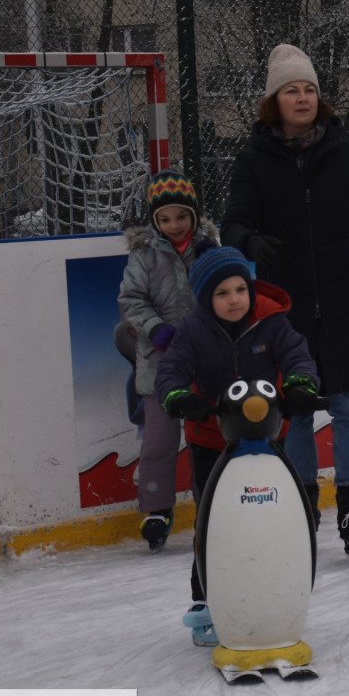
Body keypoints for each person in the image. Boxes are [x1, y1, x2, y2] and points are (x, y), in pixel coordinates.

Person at [219, 43, 349, 564]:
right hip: (284, 309)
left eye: (310, 88)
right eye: (292, 89)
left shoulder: (347, 155)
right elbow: (232, 225)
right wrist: (249, 243)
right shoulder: (253, 161)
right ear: (274, 100)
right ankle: (300, 504)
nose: (303, 97)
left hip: (344, 300)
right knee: (296, 411)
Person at [154, 246, 320, 645]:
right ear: (206, 299)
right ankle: (204, 600)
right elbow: (171, 368)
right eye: (222, 293)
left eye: (239, 289)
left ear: (250, 288)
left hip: (266, 440)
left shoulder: (272, 322)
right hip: (211, 440)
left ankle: (271, 594)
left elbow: (298, 356)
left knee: (270, 518)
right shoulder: (193, 330)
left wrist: (300, 384)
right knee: (214, 521)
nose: (234, 300)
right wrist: (178, 395)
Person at [117, 169, 218, 552]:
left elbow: (225, 290)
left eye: (181, 216)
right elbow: (131, 300)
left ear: (194, 214)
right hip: (158, 365)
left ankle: (208, 504)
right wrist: (155, 328)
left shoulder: (209, 246)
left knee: (204, 440)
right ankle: (156, 509)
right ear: (154, 220)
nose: (173, 225)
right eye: (164, 218)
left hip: (203, 363)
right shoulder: (144, 253)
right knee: (158, 441)